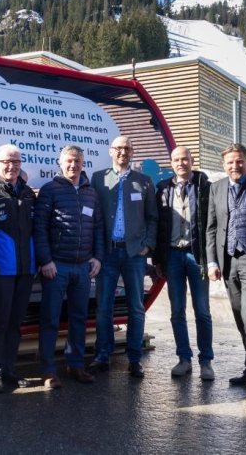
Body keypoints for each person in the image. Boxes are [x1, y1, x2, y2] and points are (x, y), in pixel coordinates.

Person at [34, 145, 104, 389]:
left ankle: (75, 364)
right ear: (60, 163)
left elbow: (98, 227)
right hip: (56, 267)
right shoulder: (49, 190)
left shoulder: (90, 193)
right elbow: (39, 227)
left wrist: (97, 257)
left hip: (83, 267)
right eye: (68, 161)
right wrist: (45, 260)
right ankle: (48, 370)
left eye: (77, 161)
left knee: (79, 318)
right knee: (50, 319)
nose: (73, 165)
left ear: (83, 163)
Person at [90, 136, 158, 378]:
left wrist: (147, 245)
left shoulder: (144, 181)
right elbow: (93, 216)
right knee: (103, 307)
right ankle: (102, 355)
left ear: (132, 152)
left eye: (127, 148)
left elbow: (152, 217)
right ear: (110, 151)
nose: (123, 152)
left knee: (136, 308)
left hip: (134, 254)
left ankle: (134, 358)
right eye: (119, 148)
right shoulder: (99, 178)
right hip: (107, 253)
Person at [154, 147, 214, 380]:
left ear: (192, 161)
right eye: (176, 160)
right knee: (177, 311)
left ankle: (206, 361)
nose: (181, 163)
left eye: (185, 159)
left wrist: (212, 259)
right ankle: (184, 358)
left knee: (202, 311)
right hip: (172, 256)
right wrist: (158, 259)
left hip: (196, 256)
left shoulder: (204, 187)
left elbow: (213, 223)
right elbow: (159, 226)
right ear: (171, 163)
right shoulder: (163, 188)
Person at [0, 144, 36, 393]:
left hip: (25, 270)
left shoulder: (27, 194)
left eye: (15, 161)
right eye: (6, 161)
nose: (11, 166)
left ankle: (9, 369)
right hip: (1, 270)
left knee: (15, 323)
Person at [206, 143, 246, 396]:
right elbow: (211, 228)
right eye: (230, 162)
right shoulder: (217, 188)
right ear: (223, 165)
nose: (235, 166)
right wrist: (212, 262)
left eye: (239, 161)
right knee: (238, 315)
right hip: (228, 261)